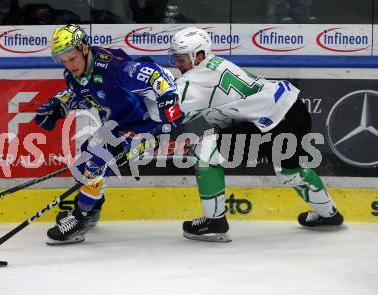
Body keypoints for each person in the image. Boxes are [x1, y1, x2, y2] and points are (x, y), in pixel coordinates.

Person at [169, 27, 344, 242]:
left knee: (205, 152)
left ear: (199, 56)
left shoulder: (194, 79)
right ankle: (330, 215)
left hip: (272, 124)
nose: (177, 63)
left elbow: (168, 115)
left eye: (181, 58)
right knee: (290, 173)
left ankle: (215, 223)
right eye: (175, 57)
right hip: (293, 110)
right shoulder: (216, 63)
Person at [34, 24, 184, 245]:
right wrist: (60, 104)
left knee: (96, 160)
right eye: (63, 61)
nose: (69, 65)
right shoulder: (76, 72)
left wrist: (169, 98)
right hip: (120, 125)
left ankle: (82, 217)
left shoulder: (113, 67)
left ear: (84, 48)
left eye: (72, 58)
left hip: (148, 126)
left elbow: (156, 74)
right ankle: (91, 209)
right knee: (84, 157)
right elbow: (81, 92)